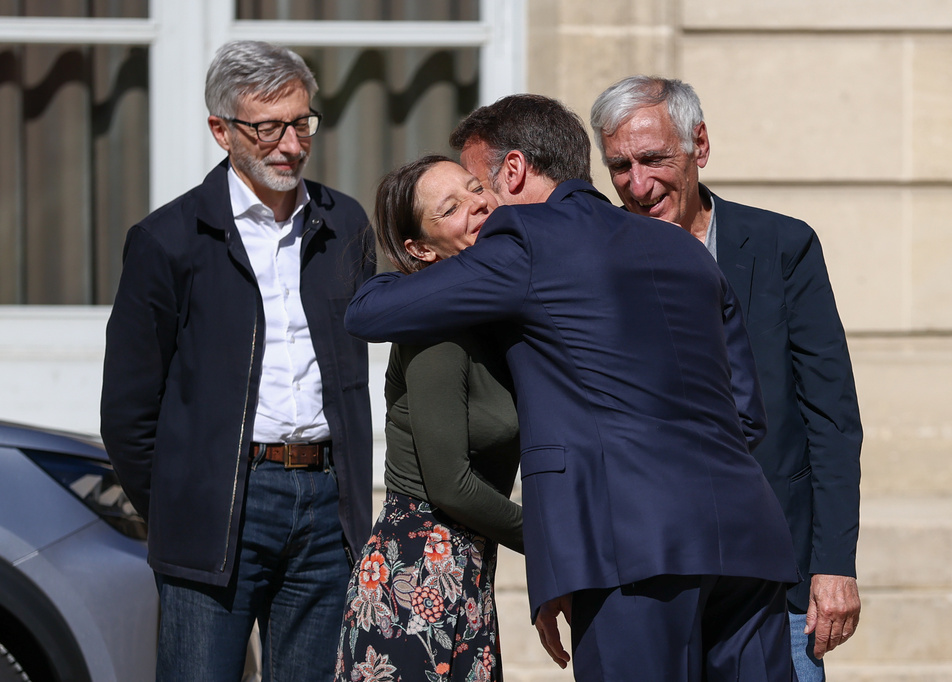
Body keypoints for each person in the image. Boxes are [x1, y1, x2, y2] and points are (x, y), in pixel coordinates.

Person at [345, 94, 800, 681]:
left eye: (478, 185)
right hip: (745, 538)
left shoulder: (526, 242)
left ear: (512, 170)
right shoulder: (683, 249)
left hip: (627, 550)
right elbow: (747, 412)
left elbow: (367, 313)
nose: (482, 204)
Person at [100, 40, 374, 681]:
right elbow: (128, 411)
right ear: (221, 130)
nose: (290, 144)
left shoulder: (345, 226)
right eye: (267, 127)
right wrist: (181, 502)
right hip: (218, 508)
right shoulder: (166, 241)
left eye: (301, 122)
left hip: (328, 506)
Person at [590, 75, 863, 681]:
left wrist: (834, 564)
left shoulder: (781, 246)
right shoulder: (592, 260)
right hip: (645, 585)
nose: (638, 185)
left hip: (774, 583)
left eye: (654, 159)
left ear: (699, 146)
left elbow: (831, 417)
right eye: (619, 166)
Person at [335, 155, 523, 681]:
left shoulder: (491, 316)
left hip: (464, 571)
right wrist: (553, 538)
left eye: (475, 188)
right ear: (420, 249)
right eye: (451, 207)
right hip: (414, 571)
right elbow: (451, 485)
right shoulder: (435, 324)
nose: (478, 205)